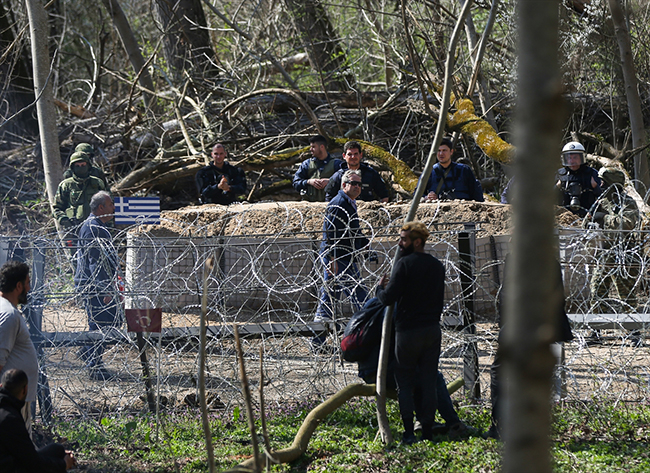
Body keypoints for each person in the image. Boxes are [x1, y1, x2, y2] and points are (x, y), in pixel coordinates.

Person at [354, 299, 472, 438]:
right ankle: (454, 424)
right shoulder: (401, 308)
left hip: (367, 371)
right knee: (431, 377)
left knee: (417, 376)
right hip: (384, 370)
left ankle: (422, 422)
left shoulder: (374, 304)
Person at [485, 256, 573, 440]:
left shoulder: (517, 258)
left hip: (519, 324)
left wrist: (504, 325)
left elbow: (508, 293)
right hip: (543, 326)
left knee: (500, 372)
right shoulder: (552, 261)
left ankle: (499, 426)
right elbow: (559, 297)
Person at [376, 221, 445, 443]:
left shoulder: (404, 264)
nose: (400, 243)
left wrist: (379, 287)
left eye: (404, 239)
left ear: (417, 241)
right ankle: (427, 431)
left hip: (408, 333)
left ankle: (408, 432)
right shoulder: (437, 266)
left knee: (404, 381)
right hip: (432, 330)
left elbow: (388, 298)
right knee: (428, 381)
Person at [315, 170, 370, 333]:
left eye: (359, 184)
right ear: (344, 185)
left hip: (345, 256)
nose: (357, 187)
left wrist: (365, 245)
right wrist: (332, 259)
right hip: (339, 257)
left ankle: (317, 340)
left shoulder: (348, 203)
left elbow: (354, 230)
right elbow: (329, 233)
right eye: (354, 183)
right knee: (359, 295)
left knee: (329, 299)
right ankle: (367, 330)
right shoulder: (338, 203)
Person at [74, 191, 120, 380]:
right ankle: (95, 366)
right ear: (101, 207)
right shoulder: (94, 228)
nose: (113, 208)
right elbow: (96, 262)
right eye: (110, 205)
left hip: (95, 284)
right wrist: (105, 289)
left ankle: (87, 351)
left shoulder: (96, 225)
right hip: (94, 286)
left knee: (110, 322)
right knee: (101, 324)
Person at [585, 167, 640, 315]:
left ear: (613, 185)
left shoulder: (627, 203)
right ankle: (596, 330)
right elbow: (587, 223)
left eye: (603, 182)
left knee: (626, 295)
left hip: (624, 254)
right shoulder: (601, 202)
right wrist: (591, 220)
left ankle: (633, 331)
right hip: (604, 253)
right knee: (597, 292)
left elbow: (626, 224)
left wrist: (604, 218)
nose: (600, 185)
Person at [0, 369, 77, 472]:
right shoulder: (10, 418)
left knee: (56, 450)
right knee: (54, 461)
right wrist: (63, 464)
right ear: (25, 390)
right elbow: (33, 462)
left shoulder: (7, 410)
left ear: (1, 386)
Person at [0, 261, 38, 435]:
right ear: (18, 286)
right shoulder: (9, 314)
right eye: (27, 283)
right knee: (21, 451)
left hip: (15, 397)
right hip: (13, 400)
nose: (29, 288)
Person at [53, 151, 107, 231]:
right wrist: (64, 220)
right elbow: (57, 208)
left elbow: (107, 205)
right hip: (74, 228)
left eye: (83, 165)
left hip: (96, 226)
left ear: (88, 165)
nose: (80, 168)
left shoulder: (97, 183)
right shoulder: (65, 185)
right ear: (72, 167)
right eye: (77, 166)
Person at [421, 138, 484, 202]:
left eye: (444, 150)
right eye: (438, 150)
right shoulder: (429, 172)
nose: (441, 154)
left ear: (451, 151)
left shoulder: (464, 170)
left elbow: (476, 193)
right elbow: (417, 193)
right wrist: (427, 197)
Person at [324, 141, 389, 202]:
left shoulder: (371, 174)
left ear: (361, 155)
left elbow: (384, 195)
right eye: (349, 154)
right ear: (344, 156)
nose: (353, 157)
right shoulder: (338, 176)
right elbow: (329, 198)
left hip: (367, 210)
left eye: (355, 154)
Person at [556, 141, 602, 217]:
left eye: (575, 158)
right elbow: (548, 196)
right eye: (569, 158)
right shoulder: (560, 174)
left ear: (582, 157)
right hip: (563, 215)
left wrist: (595, 186)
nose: (572, 161)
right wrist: (557, 187)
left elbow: (604, 196)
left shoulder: (592, 173)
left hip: (588, 215)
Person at [293, 134, 340, 202]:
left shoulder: (337, 164)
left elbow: (346, 182)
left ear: (322, 147)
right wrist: (308, 182)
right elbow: (295, 183)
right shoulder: (306, 164)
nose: (310, 149)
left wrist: (330, 181)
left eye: (313, 147)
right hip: (310, 205)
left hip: (331, 203)